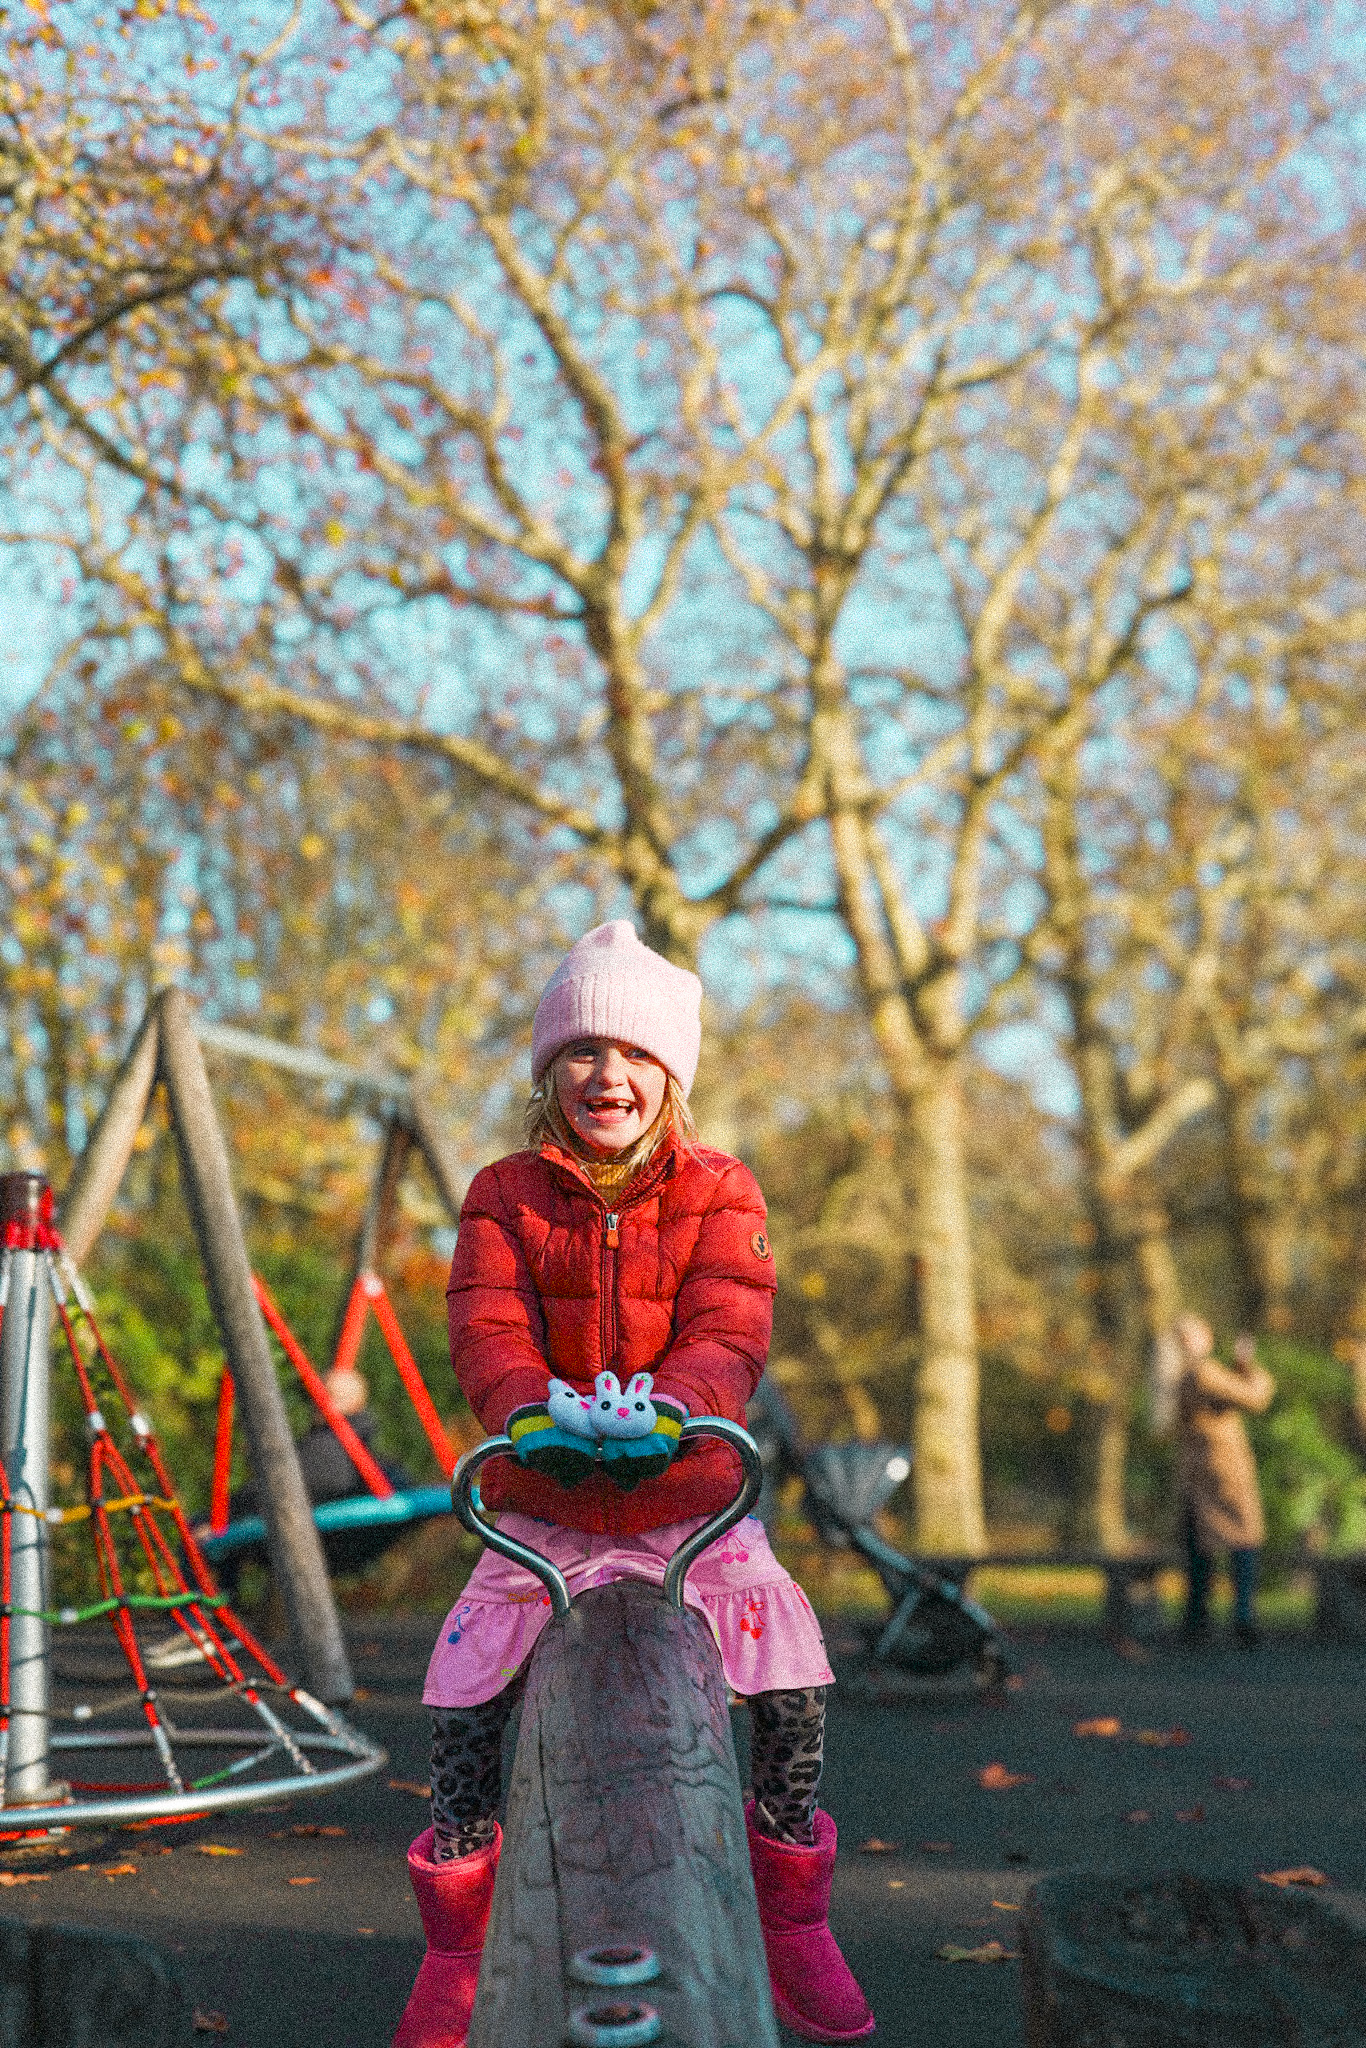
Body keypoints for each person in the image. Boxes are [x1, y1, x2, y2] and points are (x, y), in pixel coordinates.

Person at [394, 920, 874, 2048]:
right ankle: (459, 1936)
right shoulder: (503, 1193)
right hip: (548, 1496)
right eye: (582, 1050)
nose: (608, 1074)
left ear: (672, 1074)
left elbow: (729, 1326)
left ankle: (788, 1894)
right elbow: (487, 1329)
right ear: (548, 1069)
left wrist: (677, 1409)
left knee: (793, 1684)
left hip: (686, 1499)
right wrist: (530, 1411)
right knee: (464, 1701)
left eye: (636, 1053)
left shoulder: (719, 1188)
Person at [1172, 1314, 1275, 1648]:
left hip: (1202, 1472)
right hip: (1221, 1472)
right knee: (1239, 1541)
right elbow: (1255, 1397)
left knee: (1203, 1545)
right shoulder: (1203, 1372)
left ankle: (1199, 1620)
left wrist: (1240, 1367)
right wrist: (1249, 1366)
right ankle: (1240, 1617)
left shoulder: (1188, 1374)